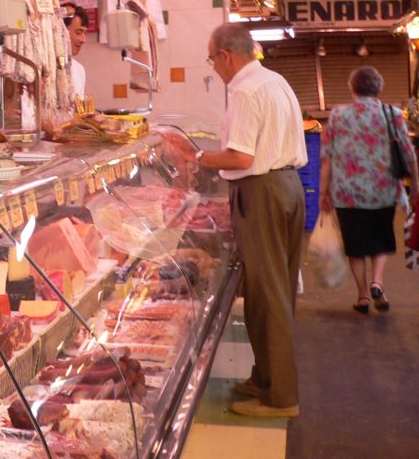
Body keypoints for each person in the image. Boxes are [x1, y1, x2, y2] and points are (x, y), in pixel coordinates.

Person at [170, 22, 307, 418]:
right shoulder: (273, 80)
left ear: (226, 56)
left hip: (263, 191)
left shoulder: (245, 90)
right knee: (275, 291)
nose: (213, 67)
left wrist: (193, 156)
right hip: (287, 188)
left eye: (212, 59)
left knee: (268, 297)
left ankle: (281, 397)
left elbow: (241, 158)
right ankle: (266, 377)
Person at [319, 67, 418, 313]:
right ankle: (378, 282)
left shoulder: (338, 116)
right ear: (378, 88)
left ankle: (363, 296)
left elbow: (327, 158)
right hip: (382, 190)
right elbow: (408, 152)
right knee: (379, 238)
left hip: (347, 193)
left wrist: (323, 192)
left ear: (352, 87)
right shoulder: (392, 113)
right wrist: (415, 185)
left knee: (356, 245)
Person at [62, 5, 88, 97]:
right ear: (62, 31)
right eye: (78, 32)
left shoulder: (79, 70)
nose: (83, 40)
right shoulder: (42, 68)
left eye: (85, 33)